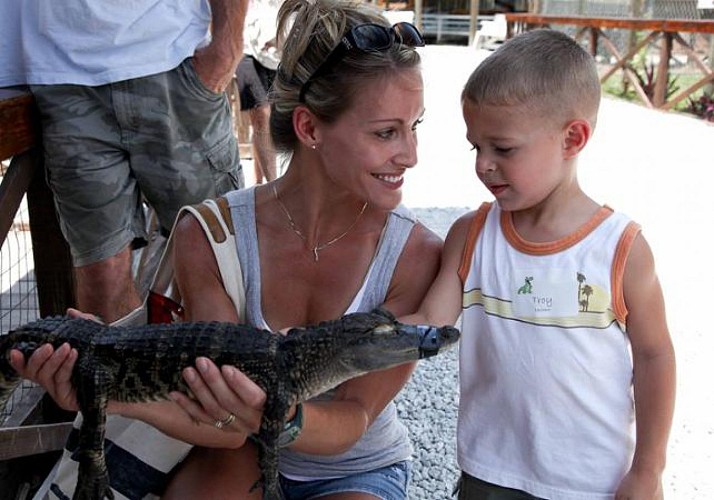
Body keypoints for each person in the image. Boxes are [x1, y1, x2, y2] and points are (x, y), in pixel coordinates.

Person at [11, 0, 440, 498]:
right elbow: (224, 425)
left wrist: (279, 413)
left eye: (415, 127)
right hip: (236, 449)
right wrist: (102, 389)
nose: (410, 155)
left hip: (353, 464)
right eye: (387, 132)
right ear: (309, 128)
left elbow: (355, 416)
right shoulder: (211, 234)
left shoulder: (415, 252)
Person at [401, 29, 677, 500]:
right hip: (488, 475)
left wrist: (647, 470)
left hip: (591, 484)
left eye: (502, 149)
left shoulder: (620, 249)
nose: (483, 165)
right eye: (476, 147)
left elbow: (654, 358)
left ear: (573, 137)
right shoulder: (472, 236)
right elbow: (428, 324)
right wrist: (335, 338)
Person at [0, 0, 248, 323]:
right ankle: (132, 374)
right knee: (102, 280)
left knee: (221, 261)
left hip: (171, 55)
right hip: (61, 74)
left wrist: (228, 44)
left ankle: (232, 372)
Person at [236, 0, 282, 184]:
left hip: (279, 50)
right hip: (245, 48)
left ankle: (258, 183)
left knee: (269, 123)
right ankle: (273, 187)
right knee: (261, 116)